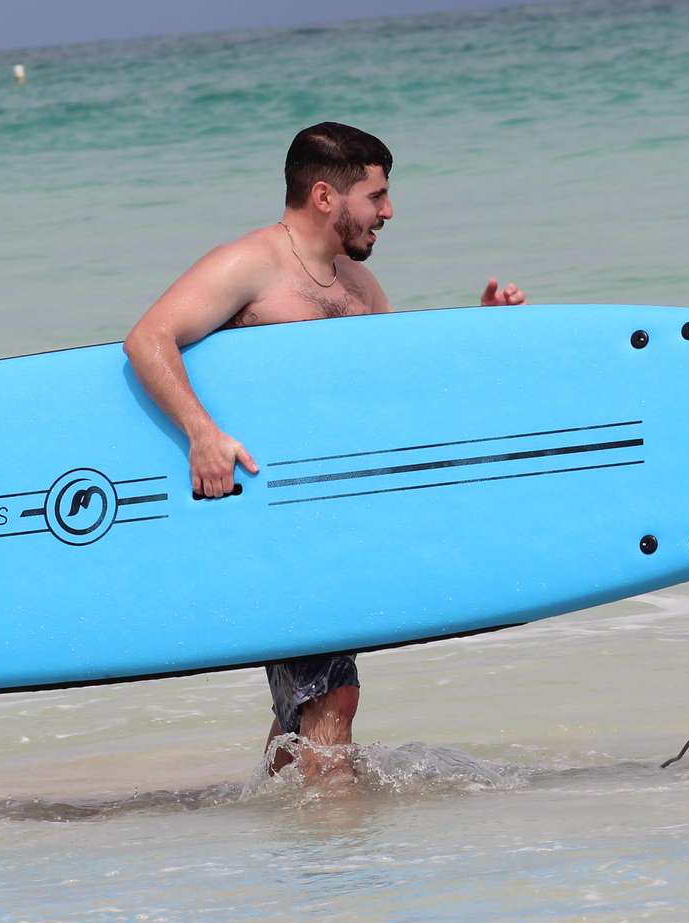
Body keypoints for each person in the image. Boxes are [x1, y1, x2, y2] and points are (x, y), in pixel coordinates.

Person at [122, 121, 527, 781]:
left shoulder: (358, 289)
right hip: (269, 521)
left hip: (332, 524)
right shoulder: (249, 266)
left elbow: (400, 385)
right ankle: (339, 860)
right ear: (324, 197)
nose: (389, 212)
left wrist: (480, 329)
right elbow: (149, 339)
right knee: (332, 697)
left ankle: (292, 844)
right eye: (377, 196)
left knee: (307, 709)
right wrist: (202, 432)